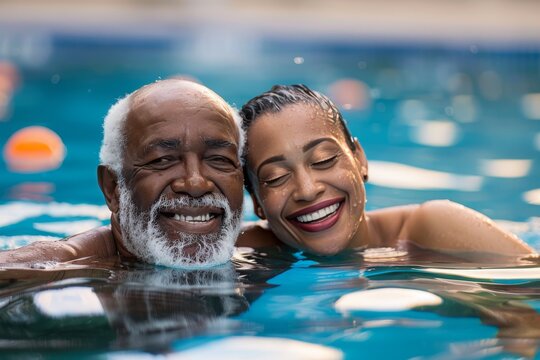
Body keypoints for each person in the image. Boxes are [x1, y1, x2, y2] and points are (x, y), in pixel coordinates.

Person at [236, 84, 537, 260]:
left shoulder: (431, 230)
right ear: (258, 203)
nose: (307, 189)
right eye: (275, 177)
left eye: (324, 160)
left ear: (360, 160)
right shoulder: (249, 253)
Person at [0, 79, 246, 268]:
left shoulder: (266, 251)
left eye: (219, 160)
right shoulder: (59, 270)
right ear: (113, 188)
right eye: (163, 160)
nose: (195, 182)